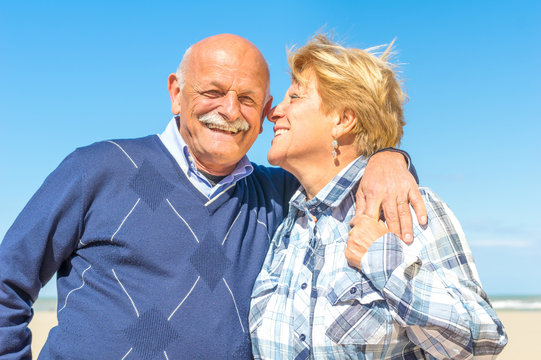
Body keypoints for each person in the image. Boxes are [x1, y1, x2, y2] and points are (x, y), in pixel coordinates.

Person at [0, 34, 423, 359]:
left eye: (246, 99)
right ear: (176, 93)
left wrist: (389, 158)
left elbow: (346, 175)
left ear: (264, 112)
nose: (229, 111)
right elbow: (7, 285)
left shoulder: (280, 196)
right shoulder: (98, 168)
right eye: (213, 92)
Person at [249, 35, 507, 359]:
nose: (274, 111)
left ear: (343, 120)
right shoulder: (285, 223)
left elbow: (482, 339)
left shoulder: (403, 206)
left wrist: (383, 259)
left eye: (295, 97)